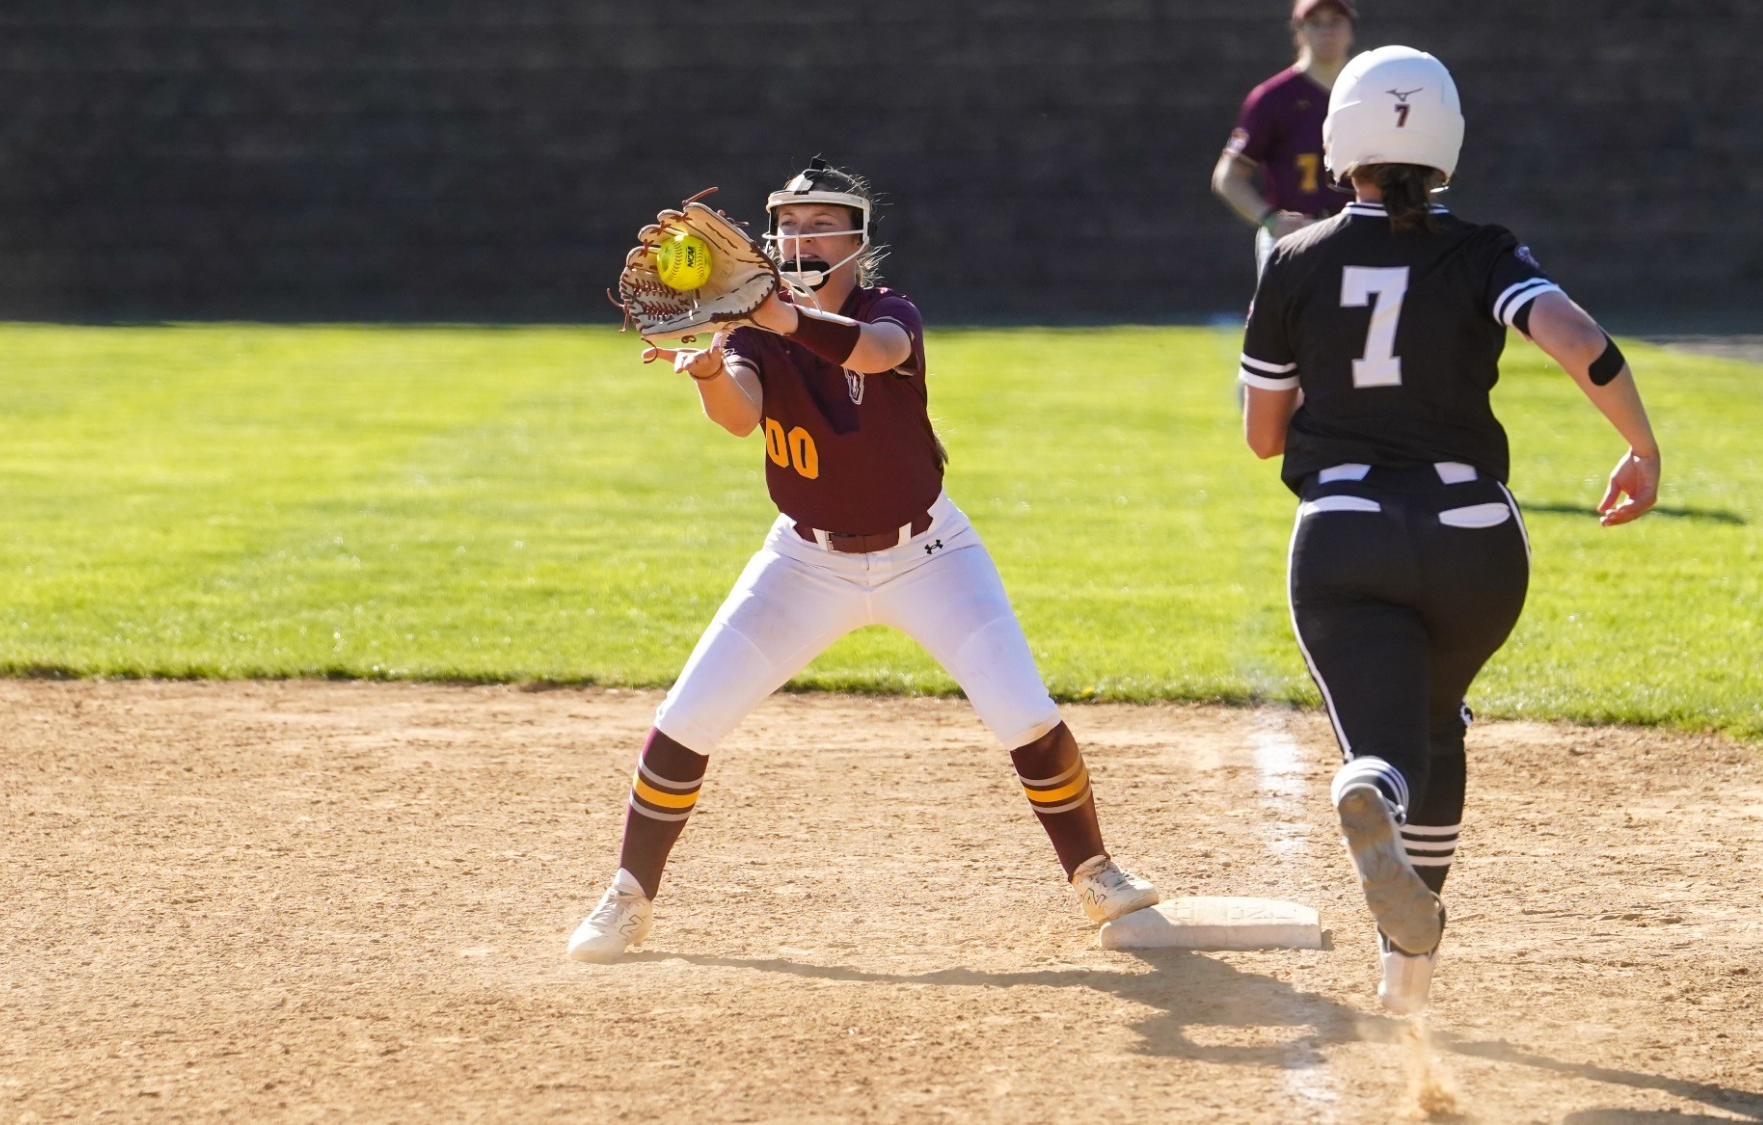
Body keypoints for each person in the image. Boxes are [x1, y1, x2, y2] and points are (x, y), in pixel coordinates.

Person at [567, 158, 1161, 963]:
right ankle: (628, 896)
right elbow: (739, 415)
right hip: (804, 561)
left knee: (1026, 717)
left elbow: (875, 354)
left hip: (931, 553)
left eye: (822, 225)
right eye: (789, 225)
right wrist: (707, 368)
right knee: (685, 720)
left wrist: (781, 318)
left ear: (858, 241)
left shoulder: (890, 311)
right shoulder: (751, 330)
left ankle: (1094, 872)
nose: (802, 238)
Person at [1237, 48, 1661, 1015]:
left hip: (1345, 531)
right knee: (1439, 719)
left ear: (1340, 142)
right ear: (1446, 146)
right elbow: (1577, 339)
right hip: (1476, 536)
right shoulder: (1483, 250)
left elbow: (1263, 436)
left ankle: (1374, 789)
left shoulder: (1294, 259)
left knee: (1391, 748)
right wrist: (1641, 447)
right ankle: (1408, 975)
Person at [1213, 0, 1359, 277]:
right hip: (1296, 234)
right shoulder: (1273, 98)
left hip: (1355, 233)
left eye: (1335, 22)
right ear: (1298, 31)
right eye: (1315, 23)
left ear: (1351, 28)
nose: (1327, 32)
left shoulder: (1367, 91)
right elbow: (1227, 177)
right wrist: (1269, 218)